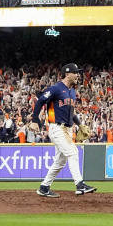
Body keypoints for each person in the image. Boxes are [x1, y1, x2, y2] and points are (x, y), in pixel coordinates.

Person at [28, 62, 96, 198]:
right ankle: (80, 185)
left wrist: (80, 124)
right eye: (75, 72)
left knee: (60, 161)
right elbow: (41, 101)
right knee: (73, 152)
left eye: (78, 72)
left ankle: (44, 187)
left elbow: (71, 112)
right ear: (67, 73)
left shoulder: (72, 91)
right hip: (57, 128)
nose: (78, 75)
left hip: (68, 129)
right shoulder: (56, 88)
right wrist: (35, 120)